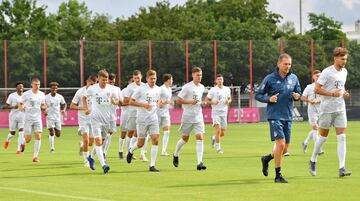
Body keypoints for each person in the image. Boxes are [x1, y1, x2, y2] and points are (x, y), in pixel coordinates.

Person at [255, 53, 301, 183]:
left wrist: (297, 96)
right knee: (280, 144)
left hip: (288, 115)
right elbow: (258, 95)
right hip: (274, 115)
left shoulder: (294, 78)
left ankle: (267, 159)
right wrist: (269, 98)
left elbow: (298, 92)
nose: (287, 66)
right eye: (285, 64)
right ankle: (278, 175)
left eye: (289, 64)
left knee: (284, 149)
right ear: (279, 64)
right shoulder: (269, 78)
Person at [309, 47, 351, 177]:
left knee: (342, 137)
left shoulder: (344, 72)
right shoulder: (327, 72)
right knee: (322, 138)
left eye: (345, 59)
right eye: (342, 59)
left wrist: (344, 93)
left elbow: (341, 88)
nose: (344, 61)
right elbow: (316, 89)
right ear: (335, 58)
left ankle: (342, 168)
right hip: (326, 110)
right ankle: (313, 159)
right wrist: (332, 94)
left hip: (340, 109)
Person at [83, 69, 119, 174]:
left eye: (106, 80)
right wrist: (86, 108)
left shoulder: (111, 89)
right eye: (103, 80)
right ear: (98, 79)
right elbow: (84, 98)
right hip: (95, 119)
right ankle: (104, 165)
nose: (105, 82)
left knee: (102, 141)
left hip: (106, 120)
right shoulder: (92, 89)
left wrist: (114, 101)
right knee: (98, 141)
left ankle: (90, 157)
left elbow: (117, 101)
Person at [127, 70, 161, 172]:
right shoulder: (141, 89)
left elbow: (158, 100)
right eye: (151, 79)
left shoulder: (158, 89)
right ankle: (131, 150)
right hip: (142, 119)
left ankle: (152, 165)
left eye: (155, 78)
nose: (153, 80)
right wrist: (143, 105)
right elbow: (130, 102)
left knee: (155, 139)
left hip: (153, 118)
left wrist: (159, 103)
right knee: (140, 143)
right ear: (146, 79)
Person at [173, 67, 207, 171]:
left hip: (198, 116)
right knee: (185, 139)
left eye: (200, 75)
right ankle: (176, 154)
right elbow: (178, 101)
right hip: (187, 116)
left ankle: (199, 162)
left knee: (200, 137)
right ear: (193, 75)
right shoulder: (187, 87)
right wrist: (190, 102)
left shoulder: (202, 87)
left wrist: (203, 103)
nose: (199, 77)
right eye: (197, 75)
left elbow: (198, 101)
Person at [70, 75, 97, 167]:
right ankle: (86, 161)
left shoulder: (97, 91)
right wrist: (83, 108)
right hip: (83, 119)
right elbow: (72, 106)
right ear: (87, 82)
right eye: (91, 84)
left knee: (90, 142)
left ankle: (82, 146)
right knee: (86, 139)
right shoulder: (80, 92)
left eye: (94, 84)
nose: (92, 86)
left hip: (94, 119)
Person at [18, 77, 47, 162]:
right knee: (28, 139)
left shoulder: (42, 94)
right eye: (35, 84)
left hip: (37, 118)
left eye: (38, 84)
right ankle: (23, 142)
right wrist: (21, 107)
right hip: (28, 119)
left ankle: (35, 156)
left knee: (38, 136)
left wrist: (44, 107)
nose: (37, 86)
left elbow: (43, 104)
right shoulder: (26, 94)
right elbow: (20, 103)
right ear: (32, 85)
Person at [122, 70, 147, 161]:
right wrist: (136, 102)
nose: (136, 79)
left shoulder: (145, 86)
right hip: (132, 112)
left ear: (141, 77)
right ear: (133, 78)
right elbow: (125, 100)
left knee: (143, 133)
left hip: (143, 112)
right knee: (131, 132)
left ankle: (142, 154)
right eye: (135, 78)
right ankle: (128, 152)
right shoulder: (130, 87)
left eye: (138, 78)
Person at [206, 74, 231, 154]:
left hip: (224, 112)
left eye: (221, 79)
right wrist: (212, 102)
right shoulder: (213, 90)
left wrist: (228, 101)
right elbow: (206, 100)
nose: (220, 81)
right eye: (218, 79)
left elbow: (229, 98)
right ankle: (218, 148)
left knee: (222, 132)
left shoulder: (227, 89)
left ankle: (214, 138)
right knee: (218, 130)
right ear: (216, 81)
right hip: (215, 112)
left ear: (223, 80)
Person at [301, 70, 324, 155]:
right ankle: (318, 149)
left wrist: (318, 101)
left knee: (317, 128)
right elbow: (302, 97)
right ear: (313, 77)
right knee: (315, 128)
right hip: (312, 110)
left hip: (322, 110)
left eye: (320, 76)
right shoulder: (309, 87)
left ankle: (305, 142)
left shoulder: (324, 86)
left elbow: (326, 98)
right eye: (317, 76)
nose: (319, 77)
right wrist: (309, 100)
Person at [102, 73, 122, 157]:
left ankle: (104, 152)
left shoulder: (117, 89)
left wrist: (115, 102)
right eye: (110, 82)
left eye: (113, 82)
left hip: (112, 115)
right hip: (102, 115)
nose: (112, 84)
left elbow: (120, 101)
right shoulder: (102, 89)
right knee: (102, 135)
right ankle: (98, 151)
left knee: (109, 133)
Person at [3, 82, 25, 154]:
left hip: (23, 116)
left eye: (22, 86)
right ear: (16, 88)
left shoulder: (26, 96)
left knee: (21, 132)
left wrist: (25, 107)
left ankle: (18, 149)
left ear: (23, 88)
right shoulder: (12, 95)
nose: (20, 87)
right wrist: (14, 107)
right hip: (13, 116)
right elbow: (5, 107)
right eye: (19, 86)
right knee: (12, 133)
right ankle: (7, 140)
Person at [44, 82, 66, 153]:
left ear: (57, 89)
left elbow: (64, 104)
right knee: (51, 132)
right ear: (50, 88)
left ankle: (51, 137)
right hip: (49, 117)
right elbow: (43, 105)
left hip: (57, 117)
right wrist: (44, 110)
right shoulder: (46, 97)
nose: (54, 89)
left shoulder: (59, 96)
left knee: (58, 134)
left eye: (56, 88)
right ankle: (52, 148)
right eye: (53, 88)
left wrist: (63, 110)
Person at [157, 73, 173, 156]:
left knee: (167, 131)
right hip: (158, 113)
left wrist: (169, 102)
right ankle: (143, 149)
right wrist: (162, 102)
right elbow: (157, 99)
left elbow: (168, 100)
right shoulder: (161, 89)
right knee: (155, 133)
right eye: (171, 79)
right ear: (168, 80)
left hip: (166, 113)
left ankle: (163, 151)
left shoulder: (169, 89)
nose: (172, 81)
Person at [118, 76, 134, 159]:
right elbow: (120, 103)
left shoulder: (137, 90)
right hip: (125, 114)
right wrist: (130, 102)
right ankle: (120, 150)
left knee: (131, 134)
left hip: (133, 114)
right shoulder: (123, 91)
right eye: (132, 80)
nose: (133, 82)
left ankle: (130, 152)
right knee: (123, 133)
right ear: (128, 82)